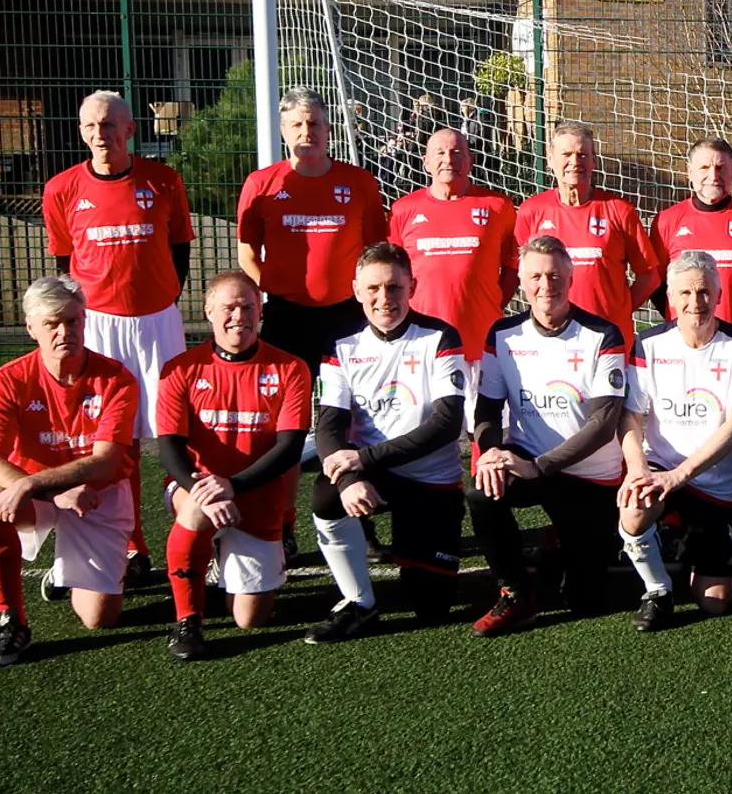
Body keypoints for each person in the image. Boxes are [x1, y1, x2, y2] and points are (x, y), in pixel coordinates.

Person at [42, 89, 194, 581]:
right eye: (89, 126)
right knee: (116, 441)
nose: (99, 134)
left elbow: (179, 252)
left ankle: (195, 537)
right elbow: (65, 266)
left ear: (130, 130)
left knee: (179, 433)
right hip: (101, 326)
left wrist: (160, 299)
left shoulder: (165, 180)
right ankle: (131, 547)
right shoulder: (61, 188)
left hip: (158, 322)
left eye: (108, 125)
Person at [0, 275, 141, 667]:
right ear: (31, 328)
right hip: (41, 496)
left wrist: (38, 483)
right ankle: (11, 617)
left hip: (95, 495)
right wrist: (49, 491)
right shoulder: (7, 380)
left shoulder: (116, 378)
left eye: (73, 321)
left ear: (85, 321)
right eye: (52, 323)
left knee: (100, 619)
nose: (65, 331)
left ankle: (64, 574)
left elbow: (107, 461)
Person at [464, 236, 630, 637]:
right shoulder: (503, 334)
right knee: (480, 491)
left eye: (555, 275)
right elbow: (486, 409)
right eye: (536, 276)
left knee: (587, 602)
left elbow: (603, 425)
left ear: (571, 279)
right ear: (521, 281)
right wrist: (489, 451)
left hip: (589, 476)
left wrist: (538, 466)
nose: (546, 285)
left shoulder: (603, 334)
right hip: (529, 460)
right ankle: (516, 591)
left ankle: (557, 546)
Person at [303, 243, 469, 643]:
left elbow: (447, 424)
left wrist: (362, 458)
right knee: (325, 496)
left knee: (431, 606)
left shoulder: (440, 337)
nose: (384, 299)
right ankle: (359, 602)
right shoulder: (342, 345)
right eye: (373, 288)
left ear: (412, 286)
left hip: (432, 481)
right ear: (357, 290)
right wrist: (347, 479)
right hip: (371, 474)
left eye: (394, 287)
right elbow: (327, 427)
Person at [154, 272, 312, 660]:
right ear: (209, 311)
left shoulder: (290, 368)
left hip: (254, 493)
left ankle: (222, 555)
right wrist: (206, 490)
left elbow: (290, 448)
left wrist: (234, 486)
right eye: (228, 307)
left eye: (247, 307)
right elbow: (169, 449)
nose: (238, 316)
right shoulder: (180, 368)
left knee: (249, 619)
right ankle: (188, 619)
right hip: (198, 489)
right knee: (195, 509)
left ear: (260, 312)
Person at [616, 251, 732, 631]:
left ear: (718, 293)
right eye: (685, 293)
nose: (694, 302)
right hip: (662, 471)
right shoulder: (649, 344)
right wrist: (637, 469)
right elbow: (630, 416)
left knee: (716, 601)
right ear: (670, 296)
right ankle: (658, 591)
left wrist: (679, 476)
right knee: (634, 507)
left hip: (712, 485)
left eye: (703, 292)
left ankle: (678, 535)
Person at [651, 138, 732, 547]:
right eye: (706, 168)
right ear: (690, 173)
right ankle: (672, 519)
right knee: (675, 428)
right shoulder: (668, 221)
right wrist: (680, 327)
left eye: (722, 168)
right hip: (684, 349)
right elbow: (659, 284)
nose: (714, 176)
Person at [235, 86, 388, 378]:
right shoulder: (261, 184)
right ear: (283, 131)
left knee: (352, 405)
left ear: (328, 128)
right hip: (286, 314)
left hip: (348, 312)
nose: (307, 131)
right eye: (297, 124)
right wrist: (274, 290)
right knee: (285, 402)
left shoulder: (359, 182)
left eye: (314, 123)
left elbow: (375, 251)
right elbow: (247, 253)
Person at [516, 121, 661, 346]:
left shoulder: (619, 210)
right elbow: (520, 273)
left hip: (607, 338)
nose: (575, 162)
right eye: (566, 154)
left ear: (594, 161)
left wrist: (618, 311)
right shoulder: (531, 211)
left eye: (582, 155)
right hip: (551, 338)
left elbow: (649, 276)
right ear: (550, 160)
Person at [388, 127, 518, 365]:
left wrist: (489, 303)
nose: (448, 160)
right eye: (440, 153)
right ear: (425, 162)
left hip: (481, 347)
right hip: (420, 346)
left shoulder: (498, 206)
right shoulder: (402, 210)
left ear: (471, 161)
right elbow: (392, 274)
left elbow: (513, 270)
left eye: (457, 153)